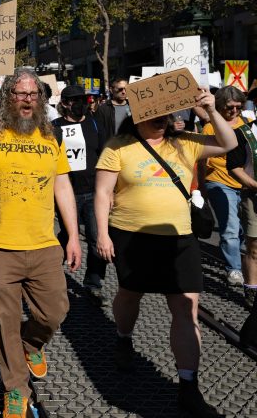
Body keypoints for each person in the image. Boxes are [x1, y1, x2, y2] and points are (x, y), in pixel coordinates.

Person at [95, 92, 236, 418]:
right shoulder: (118, 146)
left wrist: (211, 110)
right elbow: (103, 193)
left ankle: (188, 387)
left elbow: (228, 143)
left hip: (179, 240)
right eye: (153, 114)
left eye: (165, 114)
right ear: (138, 115)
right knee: (130, 296)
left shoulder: (186, 142)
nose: (161, 119)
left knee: (186, 309)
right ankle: (124, 338)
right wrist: (102, 234)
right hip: (132, 237)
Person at [0, 67, 81, 418]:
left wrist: (73, 235)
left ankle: (32, 343)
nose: (27, 99)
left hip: (43, 246)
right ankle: (15, 389)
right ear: (8, 97)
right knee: (5, 322)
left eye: (33, 94)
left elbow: (62, 186)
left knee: (55, 311)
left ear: (40, 99)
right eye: (20, 94)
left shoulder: (51, 136)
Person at [52, 85, 108, 304]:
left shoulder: (95, 123)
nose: (80, 104)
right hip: (66, 194)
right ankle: (51, 278)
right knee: (66, 237)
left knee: (97, 239)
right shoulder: (54, 127)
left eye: (82, 99)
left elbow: (106, 155)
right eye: (74, 100)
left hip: (93, 192)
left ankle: (93, 283)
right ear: (65, 103)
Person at [200, 86, 247, 286]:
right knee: (230, 227)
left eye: (238, 107)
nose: (234, 111)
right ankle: (234, 269)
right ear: (220, 106)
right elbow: (201, 160)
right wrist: (201, 186)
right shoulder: (211, 127)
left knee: (245, 228)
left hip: (246, 183)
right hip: (218, 182)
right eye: (229, 107)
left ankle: (244, 260)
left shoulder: (246, 124)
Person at [224, 113, 257, 309]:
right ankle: (252, 291)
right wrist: (254, 185)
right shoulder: (243, 133)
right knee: (254, 246)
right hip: (253, 196)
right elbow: (234, 166)